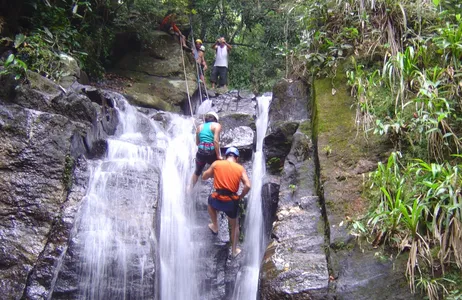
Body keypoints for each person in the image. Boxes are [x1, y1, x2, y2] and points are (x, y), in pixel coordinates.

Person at [202, 146, 251, 258]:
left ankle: (215, 225)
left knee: (210, 201)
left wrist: (213, 174)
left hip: (217, 199)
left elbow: (204, 176)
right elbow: (248, 185)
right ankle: (234, 250)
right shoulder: (240, 168)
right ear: (236, 158)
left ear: (225, 156)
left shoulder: (217, 164)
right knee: (235, 226)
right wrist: (240, 196)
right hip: (231, 202)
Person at [191, 111, 222, 187]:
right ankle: (219, 188)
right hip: (211, 153)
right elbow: (215, 141)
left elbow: (197, 143)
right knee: (219, 169)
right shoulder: (217, 125)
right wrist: (218, 156)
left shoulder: (199, 127)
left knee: (197, 172)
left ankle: (189, 188)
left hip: (200, 153)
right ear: (215, 119)